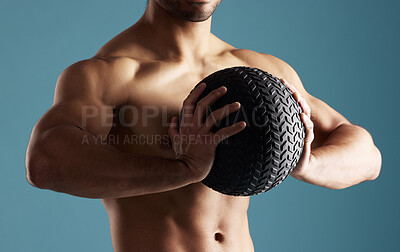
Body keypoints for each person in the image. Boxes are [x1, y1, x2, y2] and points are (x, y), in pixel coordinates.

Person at [25, 0, 382, 251]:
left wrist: (307, 162)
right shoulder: (112, 74)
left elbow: (368, 157)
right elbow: (46, 162)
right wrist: (183, 170)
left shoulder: (259, 73)